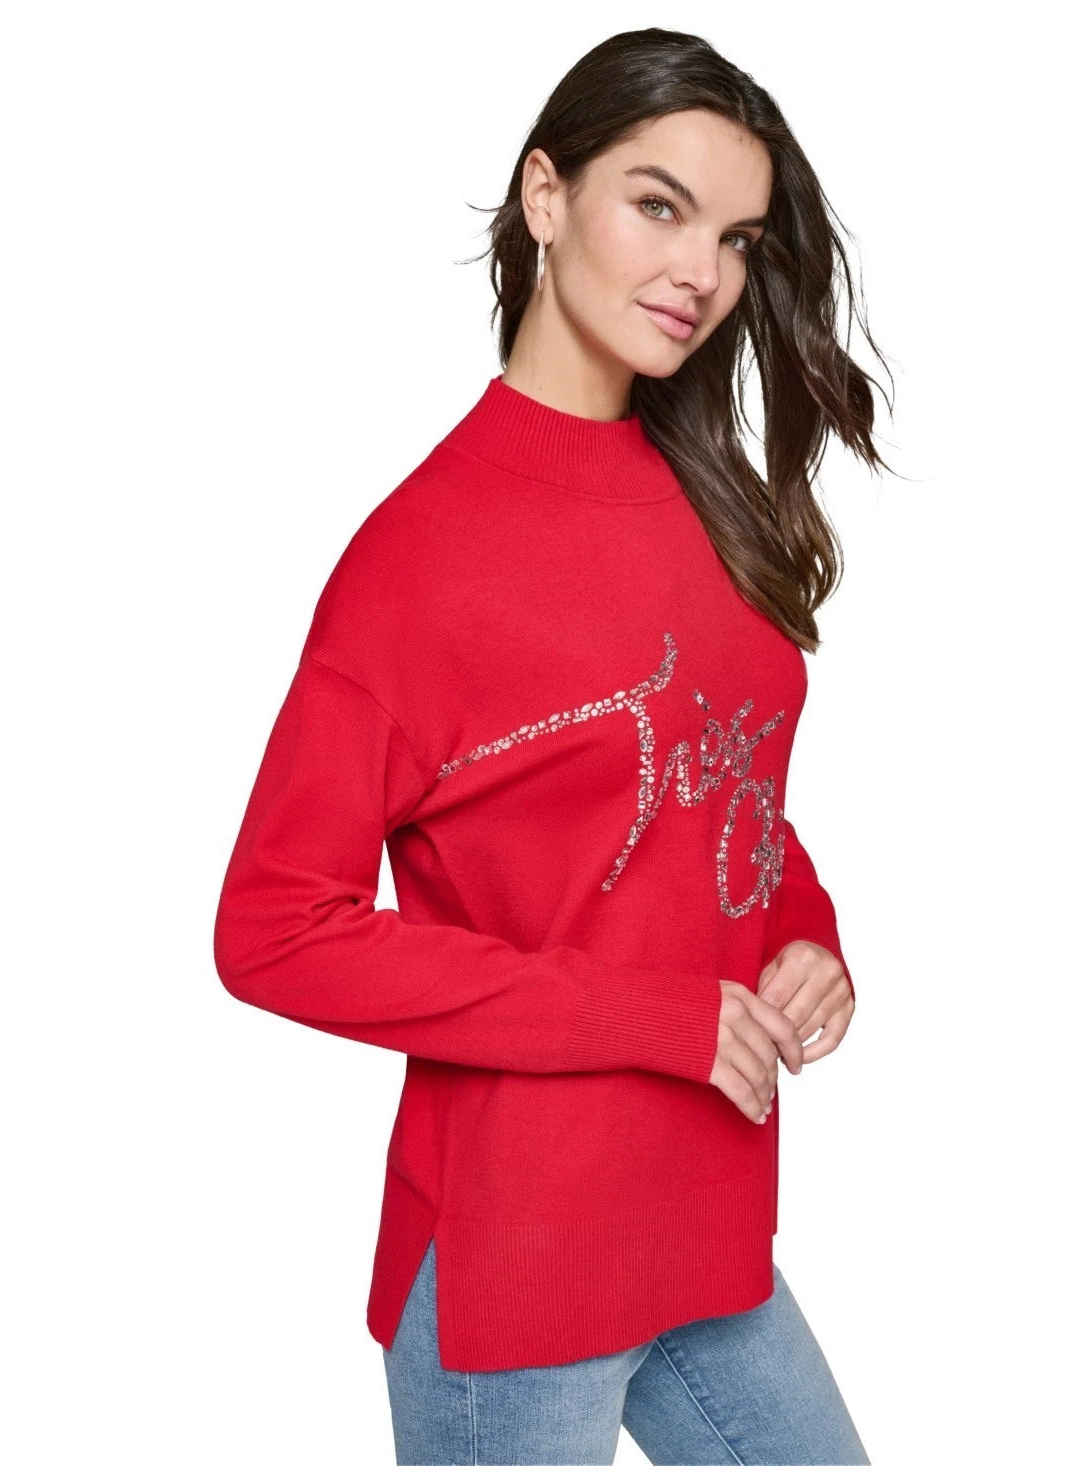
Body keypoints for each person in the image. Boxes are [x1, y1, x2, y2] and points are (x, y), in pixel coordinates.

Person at [213, 25, 890, 1466]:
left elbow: (717, 790)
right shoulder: (416, 563)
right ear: (544, 196)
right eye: (658, 205)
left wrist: (805, 932)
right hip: (516, 1266)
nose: (701, 272)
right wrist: (656, 1020)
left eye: (735, 237)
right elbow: (272, 929)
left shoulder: (708, 503)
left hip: (704, 1224)